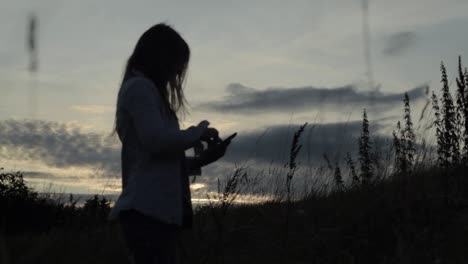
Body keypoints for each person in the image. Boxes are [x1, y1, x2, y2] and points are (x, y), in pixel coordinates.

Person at [108, 23, 233, 264]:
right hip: (147, 214)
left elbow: (155, 162)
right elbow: (156, 142)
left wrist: (201, 160)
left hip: (153, 214)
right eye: (177, 64)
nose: (177, 74)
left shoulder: (145, 90)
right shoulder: (140, 88)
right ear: (161, 58)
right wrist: (198, 133)